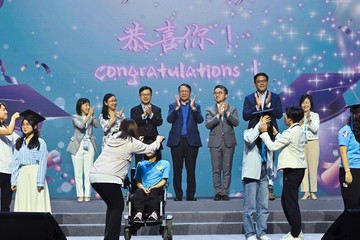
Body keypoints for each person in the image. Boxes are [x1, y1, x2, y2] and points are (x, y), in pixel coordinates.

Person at [89, 118, 164, 240]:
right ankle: (111, 238)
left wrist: (136, 142)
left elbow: (125, 147)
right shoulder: (131, 142)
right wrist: (157, 141)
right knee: (117, 206)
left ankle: (108, 237)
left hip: (95, 176)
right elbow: (150, 149)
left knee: (112, 206)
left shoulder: (113, 138)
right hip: (109, 178)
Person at [260, 106, 306, 240]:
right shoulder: (297, 130)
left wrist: (264, 133)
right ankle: (296, 230)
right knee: (286, 201)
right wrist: (277, 134)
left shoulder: (290, 132)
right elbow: (289, 143)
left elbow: (273, 146)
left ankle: (296, 234)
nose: (284, 117)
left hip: (292, 171)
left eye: (286, 116)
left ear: (290, 119)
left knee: (290, 203)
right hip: (296, 170)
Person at [243, 72, 283, 200]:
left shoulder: (275, 97)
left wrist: (268, 104)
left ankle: (269, 189)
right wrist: (257, 105)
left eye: (264, 80)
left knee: (270, 160)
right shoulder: (249, 98)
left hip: (270, 132)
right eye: (259, 81)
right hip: (254, 133)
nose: (261, 83)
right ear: (255, 84)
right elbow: (245, 116)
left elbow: (278, 114)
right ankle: (256, 189)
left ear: (267, 82)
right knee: (256, 160)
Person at [167, 83, 204, 201]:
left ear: (190, 93)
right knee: (177, 170)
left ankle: (190, 195)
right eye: (181, 91)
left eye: (186, 91)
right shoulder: (173, 106)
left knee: (191, 169)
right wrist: (177, 108)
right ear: (178, 93)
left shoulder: (196, 106)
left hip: (191, 142)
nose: (184, 93)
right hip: (176, 142)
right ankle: (178, 195)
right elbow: (169, 119)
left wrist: (193, 109)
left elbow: (200, 120)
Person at [11, 109, 51, 212]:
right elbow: (15, 163)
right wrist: (14, 180)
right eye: (23, 125)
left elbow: (42, 163)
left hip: (35, 174)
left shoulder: (40, 143)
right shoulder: (19, 142)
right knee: (23, 204)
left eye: (27, 124)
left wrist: (40, 182)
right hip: (23, 175)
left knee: (37, 204)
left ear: (35, 126)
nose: (25, 127)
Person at [205, 85, 239, 201]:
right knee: (216, 169)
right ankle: (218, 193)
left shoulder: (232, 108)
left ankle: (225, 193)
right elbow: (208, 124)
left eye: (220, 92)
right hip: (215, 142)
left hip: (229, 142)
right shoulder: (210, 109)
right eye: (215, 93)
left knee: (227, 169)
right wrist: (218, 114)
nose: (217, 95)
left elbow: (236, 123)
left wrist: (227, 113)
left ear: (226, 95)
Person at [242, 115, 272, 240]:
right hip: (252, 172)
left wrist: (271, 178)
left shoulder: (267, 136)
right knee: (250, 207)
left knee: (264, 206)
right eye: (264, 122)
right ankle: (249, 233)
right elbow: (249, 139)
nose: (266, 124)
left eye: (267, 122)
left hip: (265, 171)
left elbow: (271, 155)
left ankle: (262, 232)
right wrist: (259, 126)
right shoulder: (249, 132)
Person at [67, 98, 98, 202]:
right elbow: (81, 126)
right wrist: (89, 115)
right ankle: (80, 194)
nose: (87, 107)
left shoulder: (90, 116)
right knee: (78, 171)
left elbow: (96, 125)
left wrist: (92, 115)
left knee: (88, 171)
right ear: (80, 106)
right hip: (77, 145)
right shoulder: (75, 117)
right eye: (85, 105)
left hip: (89, 144)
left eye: (88, 105)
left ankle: (87, 194)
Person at [132, 138, 170, 222]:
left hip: (156, 188)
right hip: (143, 188)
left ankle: (154, 214)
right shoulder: (140, 164)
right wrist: (143, 187)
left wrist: (153, 187)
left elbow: (164, 180)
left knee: (154, 192)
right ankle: (138, 214)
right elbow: (137, 181)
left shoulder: (164, 163)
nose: (149, 151)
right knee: (138, 192)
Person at [130, 86, 163, 165]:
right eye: (143, 95)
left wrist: (151, 114)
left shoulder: (156, 109)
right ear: (139, 96)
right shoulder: (134, 110)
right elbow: (133, 123)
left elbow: (159, 122)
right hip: (139, 141)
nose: (145, 96)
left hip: (153, 141)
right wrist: (144, 114)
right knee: (140, 166)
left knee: (155, 167)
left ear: (151, 96)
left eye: (147, 94)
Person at [338, 103, 360, 209]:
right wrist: (347, 171)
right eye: (357, 113)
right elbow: (343, 152)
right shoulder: (345, 131)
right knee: (352, 203)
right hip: (350, 170)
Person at [299, 94, 320, 200]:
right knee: (304, 168)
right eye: (303, 103)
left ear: (311, 104)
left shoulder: (315, 115)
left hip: (313, 143)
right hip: (301, 144)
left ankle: (313, 191)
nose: (305, 105)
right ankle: (306, 191)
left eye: (307, 102)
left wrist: (308, 120)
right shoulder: (298, 115)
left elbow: (315, 128)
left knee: (313, 167)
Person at [0, 103, 20, 211]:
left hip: (9, 172)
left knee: (5, 206)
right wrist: (13, 118)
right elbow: (8, 132)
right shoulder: (7, 130)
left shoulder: (6, 127)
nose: (6, 112)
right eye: (3, 110)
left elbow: (19, 140)